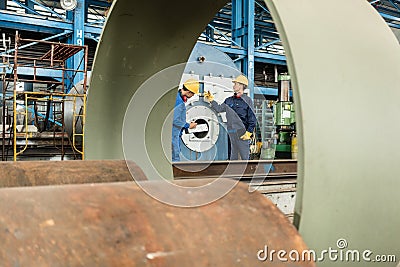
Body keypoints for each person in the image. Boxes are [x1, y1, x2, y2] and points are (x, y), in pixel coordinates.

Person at [204, 74, 256, 160]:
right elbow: (219, 108)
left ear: (241, 85)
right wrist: (211, 100)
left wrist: (249, 132)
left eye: (235, 84)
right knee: (232, 158)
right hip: (231, 133)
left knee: (245, 158)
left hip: (242, 133)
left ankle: (247, 173)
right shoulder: (229, 100)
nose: (234, 85)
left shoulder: (247, 101)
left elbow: (252, 118)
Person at [172, 78, 200, 162]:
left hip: (174, 133)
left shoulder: (176, 96)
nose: (193, 96)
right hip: (174, 133)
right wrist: (188, 125)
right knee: (175, 156)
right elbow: (174, 120)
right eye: (193, 94)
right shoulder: (179, 102)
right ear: (189, 92)